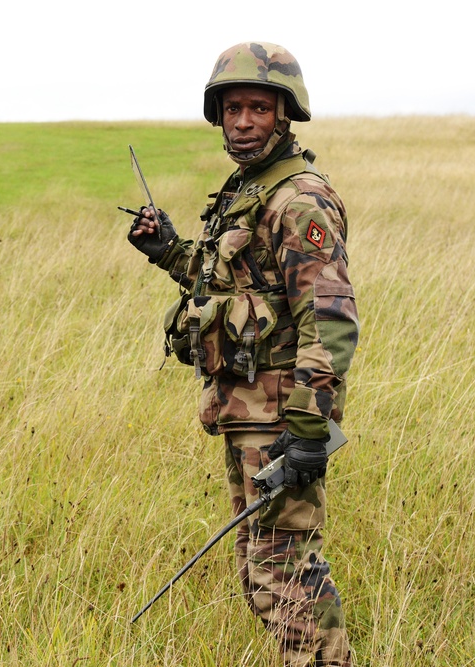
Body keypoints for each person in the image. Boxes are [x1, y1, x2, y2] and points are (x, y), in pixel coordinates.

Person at [127, 42, 359, 666]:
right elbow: (233, 291)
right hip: (244, 412)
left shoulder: (298, 198)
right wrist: (171, 251)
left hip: (282, 419)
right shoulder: (248, 189)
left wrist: (310, 426)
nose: (244, 121)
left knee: (285, 574)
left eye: (259, 107)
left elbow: (330, 317)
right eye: (233, 109)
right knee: (265, 576)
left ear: (285, 114)